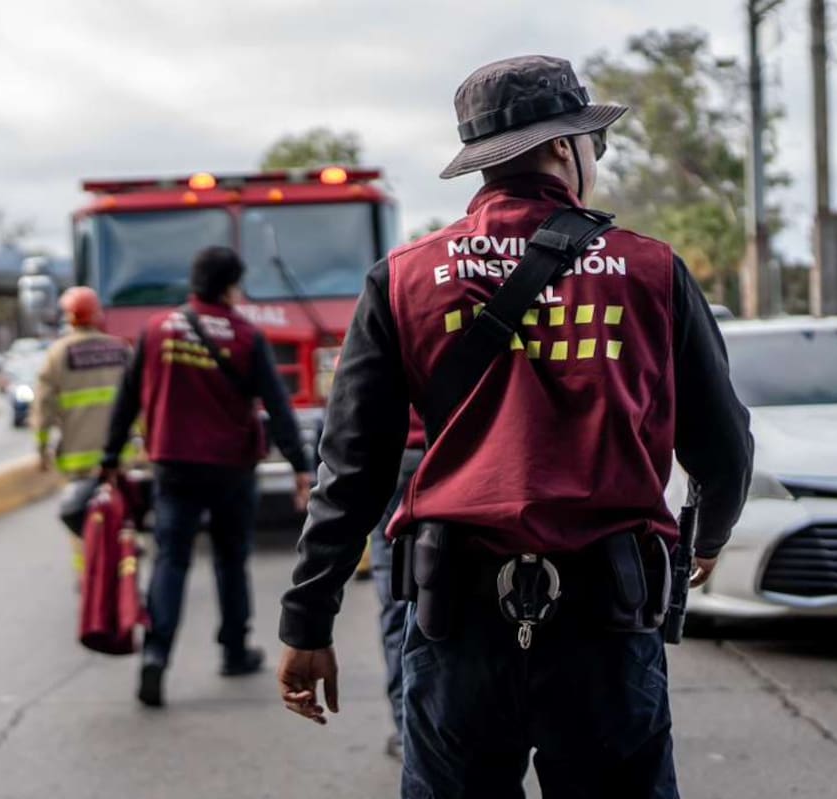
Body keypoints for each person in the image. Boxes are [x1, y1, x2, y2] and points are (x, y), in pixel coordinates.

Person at [277, 55, 753, 798]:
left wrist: (308, 620)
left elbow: (352, 471)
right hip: (607, 618)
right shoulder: (652, 271)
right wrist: (710, 538)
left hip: (454, 620)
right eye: (592, 142)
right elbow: (723, 447)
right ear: (566, 146)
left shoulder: (402, 277)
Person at [104, 246, 313, 709]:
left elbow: (127, 397)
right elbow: (278, 407)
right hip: (231, 468)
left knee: (172, 560)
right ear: (229, 287)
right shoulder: (245, 334)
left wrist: (109, 456)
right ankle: (235, 651)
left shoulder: (157, 329)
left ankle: (156, 655)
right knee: (230, 559)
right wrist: (301, 467)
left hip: (173, 465)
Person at [32, 287, 129, 566]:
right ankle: (125, 572)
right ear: (97, 314)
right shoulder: (120, 349)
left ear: (69, 318)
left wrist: (41, 449)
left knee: (80, 520)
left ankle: (88, 578)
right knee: (122, 516)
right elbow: (141, 401)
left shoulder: (58, 354)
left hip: (77, 459)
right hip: (120, 456)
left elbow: (43, 408)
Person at [369, 409, 425, 761]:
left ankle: (409, 730)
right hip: (454, 455)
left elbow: (351, 406)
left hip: (391, 459)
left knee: (397, 598)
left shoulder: (376, 349)